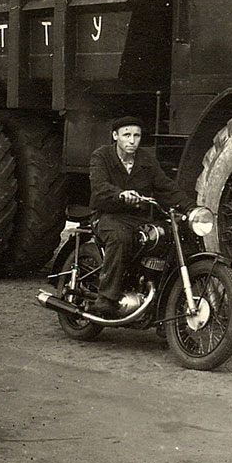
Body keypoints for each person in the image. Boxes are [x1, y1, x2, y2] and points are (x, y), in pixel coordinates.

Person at [88, 116, 191, 318]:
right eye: (127, 135)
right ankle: (106, 298)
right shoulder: (101, 156)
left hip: (138, 218)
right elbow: (99, 187)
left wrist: (191, 208)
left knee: (164, 237)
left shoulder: (146, 160)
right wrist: (120, 195)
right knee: (120, 238)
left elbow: (165, 187)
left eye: (136, 135)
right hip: (108, 215)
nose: (132, 140)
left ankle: (158, 299)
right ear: (115, 136)